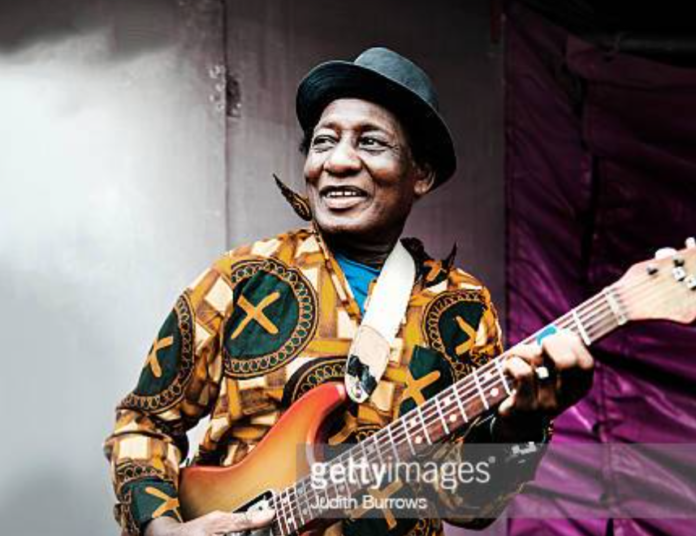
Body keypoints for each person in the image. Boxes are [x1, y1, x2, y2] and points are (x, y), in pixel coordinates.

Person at [104, 47, 594, 536]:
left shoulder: (462, 308)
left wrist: (521, 425)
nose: (338, 162)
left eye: (371, 143)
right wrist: (162, 528)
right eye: (323, 142)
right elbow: (144, 421)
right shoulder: (241, 277)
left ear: (419, 174)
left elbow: (468, 502)